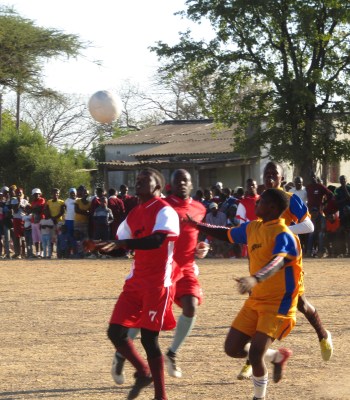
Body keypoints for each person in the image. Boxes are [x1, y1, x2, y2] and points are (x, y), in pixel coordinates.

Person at [191, 188, 300, 400]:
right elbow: (226, 233)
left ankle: (259, 397)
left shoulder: (284, 233)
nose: (255, 205)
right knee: (232, 349)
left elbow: (278, 261)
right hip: (255, 300)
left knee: (256, 353)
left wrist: (255, 278)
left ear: (272, 208)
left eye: (260, 203)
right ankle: (276, 357)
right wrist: (196, 225)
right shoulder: (253, 227)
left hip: (279, 304)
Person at [84, 167, 180, 400]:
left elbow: (156, 241)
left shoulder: (165, 211)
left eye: (144, 180)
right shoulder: (134, 214)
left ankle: (161, 396)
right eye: (136, 180)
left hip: (158, 283)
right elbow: (121, 248)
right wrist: (101, 246)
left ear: (157, 187)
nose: (138, 183)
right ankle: (143, 372)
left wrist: (120, 244)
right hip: (135, 282)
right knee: (115, 332)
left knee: (149, 339)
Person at [334, 175, 350, 256]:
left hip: (349, 215)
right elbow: (336, 202)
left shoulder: (349, 187)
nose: (343, 181)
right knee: (340, 232)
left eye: (344, 179)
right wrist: (344, 200)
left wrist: (345, 188)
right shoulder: (337, 190)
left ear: (346, 180)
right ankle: (342, 251)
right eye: (341, 180)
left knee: (348, 233)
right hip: (342, 215)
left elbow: (349, 198)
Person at [46, 188, 65, 255]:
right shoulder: (49, 202)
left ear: (59, 194)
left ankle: (59, 253)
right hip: (51, 222)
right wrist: (52, 218)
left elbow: (62, 212)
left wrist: (55, 218)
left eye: (57, 193)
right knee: (51, 238)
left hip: (59, 222)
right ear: (51, 194)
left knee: (59, 238)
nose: (55, 194)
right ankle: (50, 253)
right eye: (54, 193)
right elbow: (47, 211)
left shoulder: (62, 202)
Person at [31, 188, 46, 258]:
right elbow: (34, 209)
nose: (36, 195)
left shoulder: (42, 200)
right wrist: (34, 208)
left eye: (38, 194)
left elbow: (39, 209)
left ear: (40, 194)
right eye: (35, 194)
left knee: (41, 238)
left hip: (40, 221)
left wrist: (33, 209)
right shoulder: (33, 202)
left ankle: (42, 252)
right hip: (33, 221)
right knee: (35, 238)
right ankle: (37, 252)